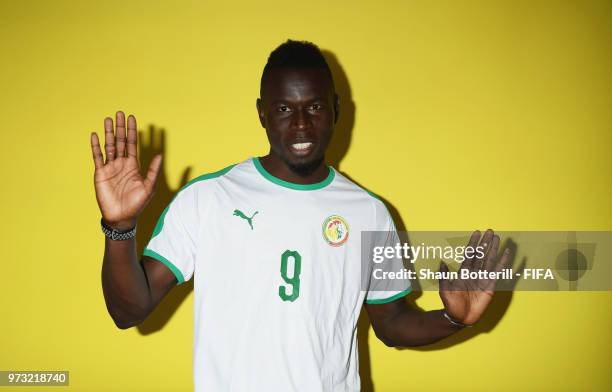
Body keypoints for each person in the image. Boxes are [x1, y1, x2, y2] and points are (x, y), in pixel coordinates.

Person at [90, 40, 510, 391]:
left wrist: (454, 318)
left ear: (336, 109)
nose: (302, 126)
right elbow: (129, 311)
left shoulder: (370, 214)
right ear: (262, 113)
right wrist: (121, 229)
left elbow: (392, 322)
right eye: (284, 110)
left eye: (314, 107)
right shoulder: (209, 198)